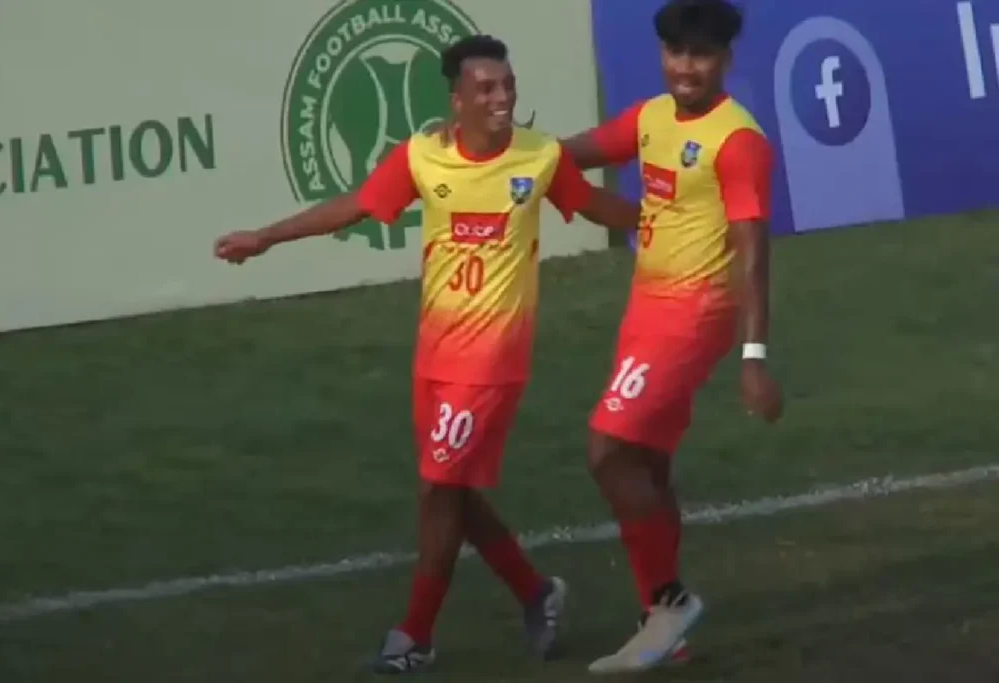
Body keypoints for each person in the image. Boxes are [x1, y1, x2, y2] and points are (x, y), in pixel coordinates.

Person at [214, 35, 641, 675]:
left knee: (438, 490)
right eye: (486, 88)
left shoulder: (541, 158)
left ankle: (414, 635)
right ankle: (535, 592)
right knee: (452, 492)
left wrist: (663, 218)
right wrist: (266, 237)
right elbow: (356, 205)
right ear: (458, 99)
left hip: (491, 362)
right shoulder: (423, 156)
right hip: (434, 357)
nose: (502, 98)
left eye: (507, 85)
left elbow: (595, 205)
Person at [558, 0, 785, 673]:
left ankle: (668, 600)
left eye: (701, 55)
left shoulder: (736, 140)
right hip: (647, 306)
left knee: (607, 449)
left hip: (696, 311)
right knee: (648, 464)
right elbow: (574, 152)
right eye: (676, 53)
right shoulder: (651, 117)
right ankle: (665, 630)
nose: (686, 68)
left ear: (726, 60)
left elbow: (753, 252)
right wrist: (500, 147)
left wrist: (753, 357)